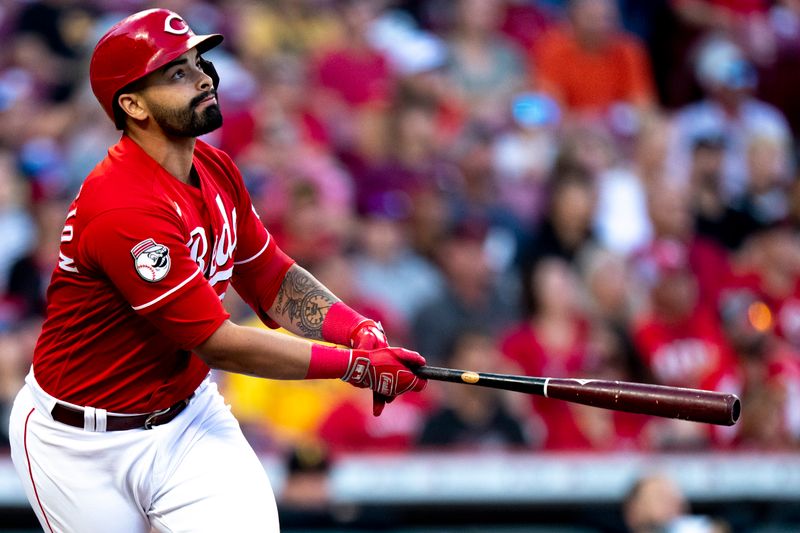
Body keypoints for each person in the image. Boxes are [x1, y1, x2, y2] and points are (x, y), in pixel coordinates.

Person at [7, 9, 427, 533]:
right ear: (132, 105)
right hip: (82, 441)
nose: (205, 77)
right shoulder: (123, 205)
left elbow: (268, 274)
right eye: (177, 73)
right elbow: (218, 342)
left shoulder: (214, 165)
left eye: (198, 62)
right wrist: (353, 367)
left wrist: (357, 331)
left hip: (187, 418)